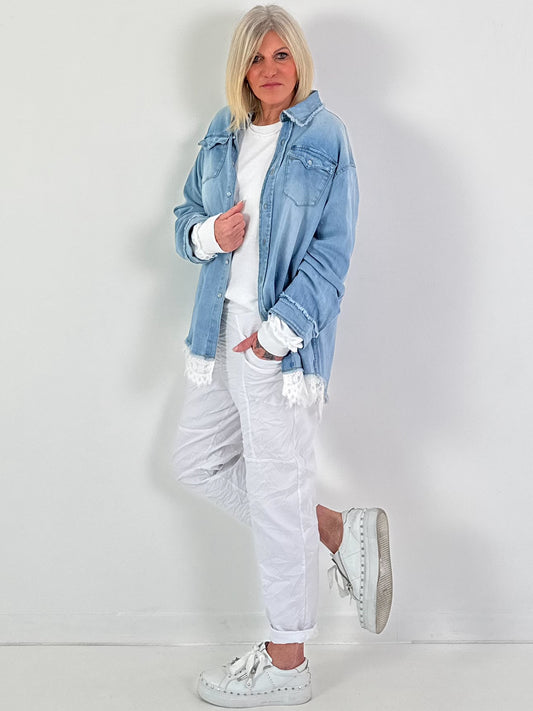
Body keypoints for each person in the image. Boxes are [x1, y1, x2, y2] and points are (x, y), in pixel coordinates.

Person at [172, 4, 392, 707]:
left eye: (281, 55)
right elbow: (183, 220)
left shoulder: (324, 134)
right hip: (217, 330)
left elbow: (332, 253)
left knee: (274, 494)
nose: (268, 69)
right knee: (197, 462)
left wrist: (275, 334)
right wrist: (209, 233)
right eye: (256, 57)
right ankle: (332, 528)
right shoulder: (224, 130)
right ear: (240, 67)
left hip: (278, 342)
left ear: (299, 61)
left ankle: (288, 660)